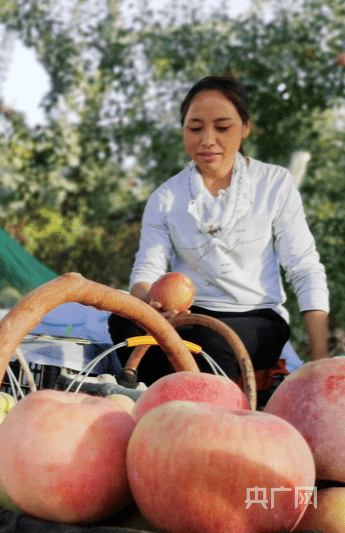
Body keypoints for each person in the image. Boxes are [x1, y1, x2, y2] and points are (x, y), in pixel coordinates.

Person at [107, 76, 329, 386]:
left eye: (222, 128)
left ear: (245, 128)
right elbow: (147, 269)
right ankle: (161, 406)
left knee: (209, 343)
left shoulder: (274, 183)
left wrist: (318, 367)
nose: (207, 140)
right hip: (185, 314)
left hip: (255, 318)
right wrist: (151, 307)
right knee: (122, 323)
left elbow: (305, 269)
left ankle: (210, 414)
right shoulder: (166, 196)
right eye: (195, 128)